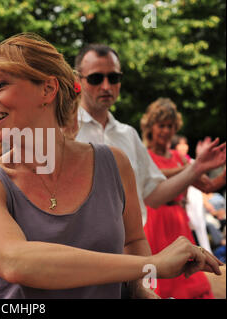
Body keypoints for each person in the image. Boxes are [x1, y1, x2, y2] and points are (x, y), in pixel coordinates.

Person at [0, 33, 223, 299]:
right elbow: (14, 261)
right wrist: (154, 263)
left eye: (0, 85)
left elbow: (133, 241)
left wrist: (143, 293)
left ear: (48, 90)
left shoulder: (115, 163)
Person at [73, 43, 226, 227]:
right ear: (78, 80)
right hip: (84, 250)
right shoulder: (63, 131)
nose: (106, 86)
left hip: (133, 249)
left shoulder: (128, 134)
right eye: (96, 78)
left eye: (113, 78)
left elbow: (153, 194)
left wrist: (197, 167)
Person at [140, 97, 224, 298]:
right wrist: (191, 168)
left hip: (178, 222)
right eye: (161, 125)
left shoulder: (179, 157)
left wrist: (222, 174)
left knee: (190, 281)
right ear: (151, 127)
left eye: (170, 126)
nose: (166, 131)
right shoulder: (144, 155)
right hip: (155, 221)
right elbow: (154, 175)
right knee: (159, 279)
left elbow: (208, 186)